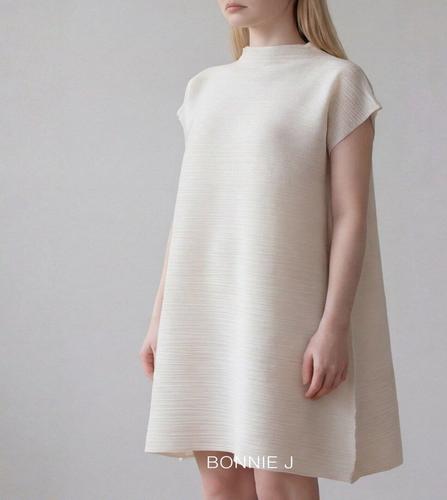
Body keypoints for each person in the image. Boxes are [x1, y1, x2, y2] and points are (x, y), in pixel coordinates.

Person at [140, 1, 403, 498]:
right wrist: (160, 317)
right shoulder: (204, 88)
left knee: (279, 479)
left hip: (280, 314)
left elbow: (350, 215)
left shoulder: (336, 82)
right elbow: (191, 213)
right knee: (221, 483)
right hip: (203, 311)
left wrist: (334, 326)